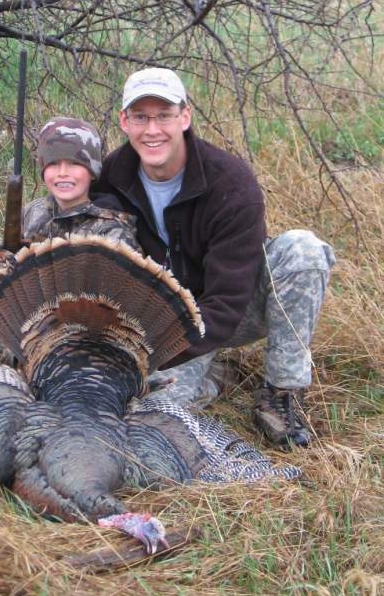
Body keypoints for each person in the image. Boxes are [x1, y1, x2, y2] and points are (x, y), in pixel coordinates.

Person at [95, 67, 336, 448]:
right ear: (124, 121)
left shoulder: (230, 180)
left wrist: (162, 353)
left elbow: (226, 302)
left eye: (164, 116)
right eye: (140, 117)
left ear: (185, 117)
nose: (152, 129)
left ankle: (282, 393)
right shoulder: (112, 175)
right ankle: (215, 374)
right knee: (152, 412)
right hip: (158, 320)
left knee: (302, 251)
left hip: (227, 310)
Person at [22, 116, 139, 249]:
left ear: (93, 172)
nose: (62, 172)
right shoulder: (30, 212)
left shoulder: (112, 232)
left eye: (75, 163)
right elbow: (1, 263)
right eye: (53, 163)